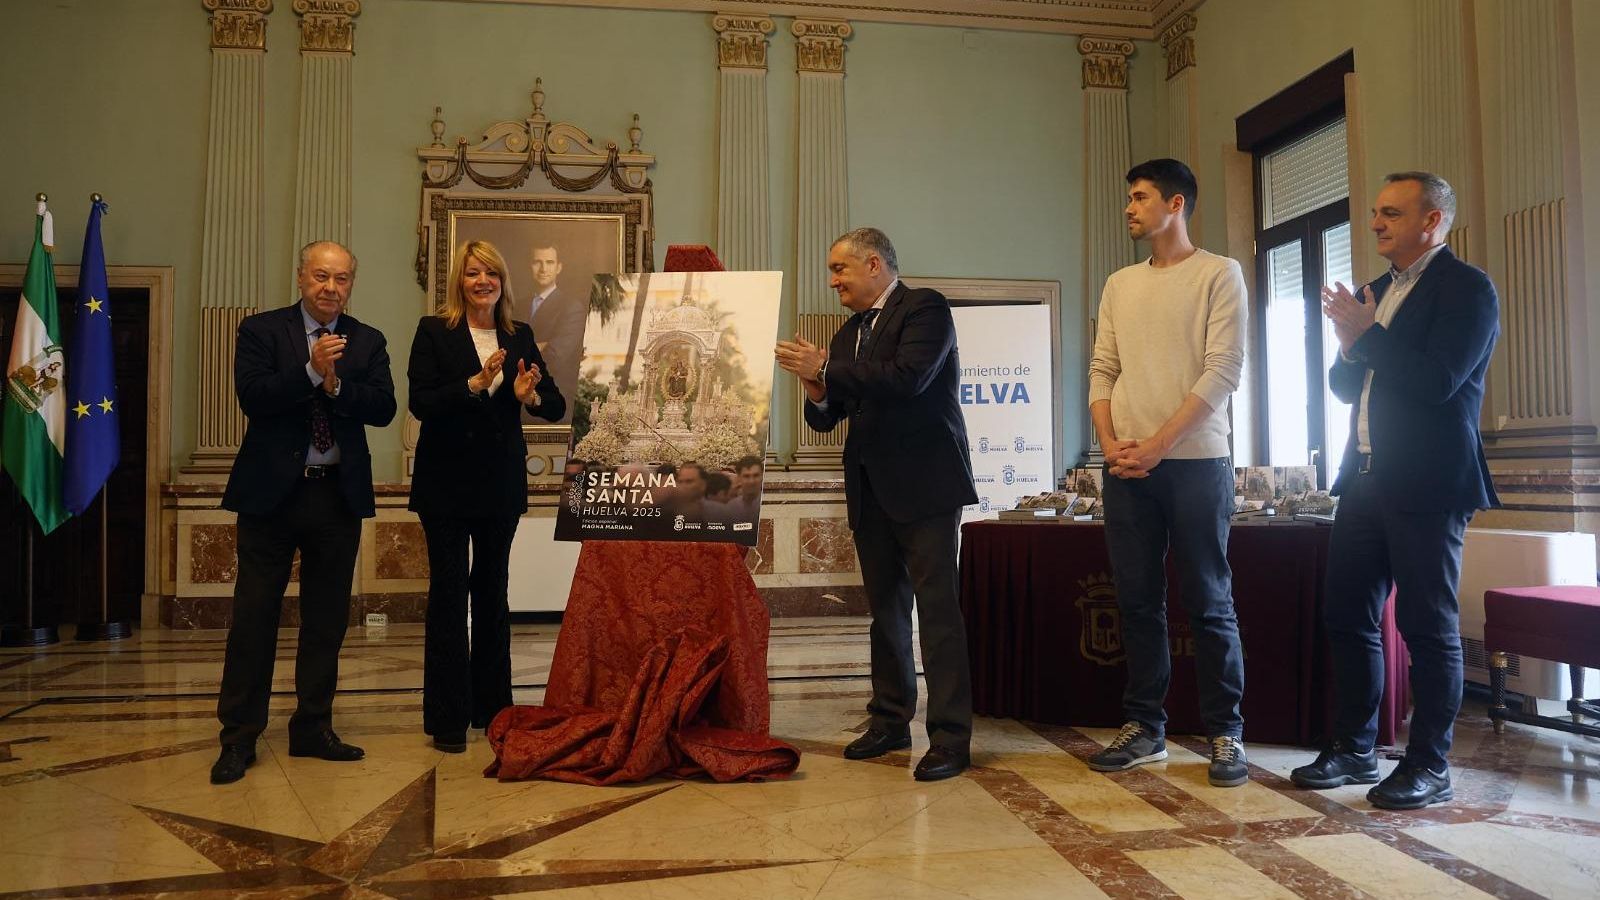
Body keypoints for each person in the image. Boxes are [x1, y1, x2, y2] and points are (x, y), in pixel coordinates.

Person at [1291, 172, 1499, 810]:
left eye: (1391, 213)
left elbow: (1438, 381)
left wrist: (1368, 334)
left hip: (1431, 483)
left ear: (1432, 221)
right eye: (1375, 213)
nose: (1376, 223)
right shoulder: (1374, 290)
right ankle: (1354, 749)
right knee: (1347, 614)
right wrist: (1353, 343)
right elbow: (1345, 386)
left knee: (1428, 627)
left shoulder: (1468, 289)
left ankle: (1429, 766)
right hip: (1364, 478)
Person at [776, 227, 976, 782]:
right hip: (870, 487)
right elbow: (828, 414)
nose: (833, 279)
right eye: (830, 271)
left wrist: (825, 371)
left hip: (927, 486)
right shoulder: (847, 333)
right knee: (885, 612)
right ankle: (889, 719)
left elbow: (907, 380)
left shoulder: (925, 309)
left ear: (873, 264)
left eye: (839, 268)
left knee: (936, 614)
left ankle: (951, 738)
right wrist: (816, 389)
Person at [1085, 159, 1250, 787]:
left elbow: (1222, 371)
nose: (1129, 207)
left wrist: (1158, 443)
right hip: (1126, 464)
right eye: (1129, 197)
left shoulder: (1219, 274)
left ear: (1176, 204)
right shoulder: (1119, 283)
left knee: (1209, 601)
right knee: (1136, 601)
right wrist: (1110, 443)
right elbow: (1103, 369)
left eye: (1140, 197)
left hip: (1196, 463)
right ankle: (1145, 726)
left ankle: (1225, 733)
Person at [211, 240, 397, 785]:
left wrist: (338, 386)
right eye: (321, 276)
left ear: (351, 285)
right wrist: (312, 372)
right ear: (301, 278)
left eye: (341, 279)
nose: (330, 288)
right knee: (254, 617)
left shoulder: (367, 340)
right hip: (272, 497)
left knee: (325, 621)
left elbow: (383, 408)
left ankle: (313, 727)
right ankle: (238, 737)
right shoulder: (262, 331)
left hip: (335, 496)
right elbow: (253, 396)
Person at [408, 240, 566, 753]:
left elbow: (555, 400)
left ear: (502, 281)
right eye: (473, 273)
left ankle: (494, 710)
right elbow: (421, 402)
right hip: (445, 485)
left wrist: (530, 396)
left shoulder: (519, 335)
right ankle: (448, 718)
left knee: (493, 596)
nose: (483, 282)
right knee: (449, 597)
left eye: (491, 274)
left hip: (499, 485)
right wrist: (474, 384)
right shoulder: (434, 331)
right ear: (460, 280)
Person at [525, 243, 586, 411]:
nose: (543, 268)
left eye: (550, 262)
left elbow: (555, 357)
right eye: (538, 262)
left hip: (551, 398)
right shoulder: (516, 306)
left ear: (559, 267)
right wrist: (540, 345)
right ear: (530, 266)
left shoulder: (572, 307)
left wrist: (520, 350)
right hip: (515, 399)